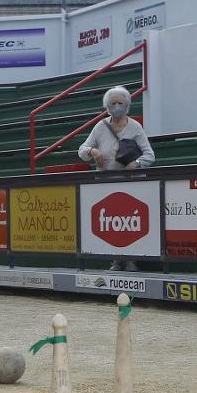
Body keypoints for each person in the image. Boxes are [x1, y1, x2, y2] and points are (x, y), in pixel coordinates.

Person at [77, 85, 155, 271]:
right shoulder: (100, 126)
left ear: (127, 105)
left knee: (129, 223)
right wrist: (93, 151)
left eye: (121, 103)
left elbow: (150, 155)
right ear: (107, 106)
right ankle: (114, 259)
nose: (117, 106)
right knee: (110, 225)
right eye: (113, 103)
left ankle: (130, 260)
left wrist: (135, 164)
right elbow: (81, 151)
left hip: (130, 184)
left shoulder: (135, 127)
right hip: (105, 184)